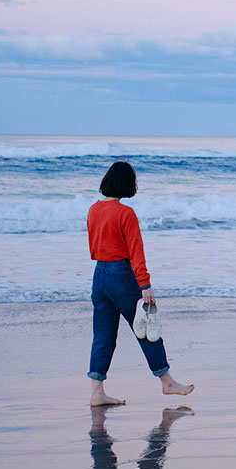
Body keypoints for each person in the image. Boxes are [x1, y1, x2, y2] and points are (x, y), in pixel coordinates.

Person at [87, 160, 193, 405]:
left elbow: (93, 247)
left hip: (99, 275)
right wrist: (145, 284)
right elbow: (136, 250)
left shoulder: (93, 209)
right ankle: (167, 382)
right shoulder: (125, 213)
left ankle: (97, 392)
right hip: (122, 275)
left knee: (102, 336)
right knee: (147, 329)